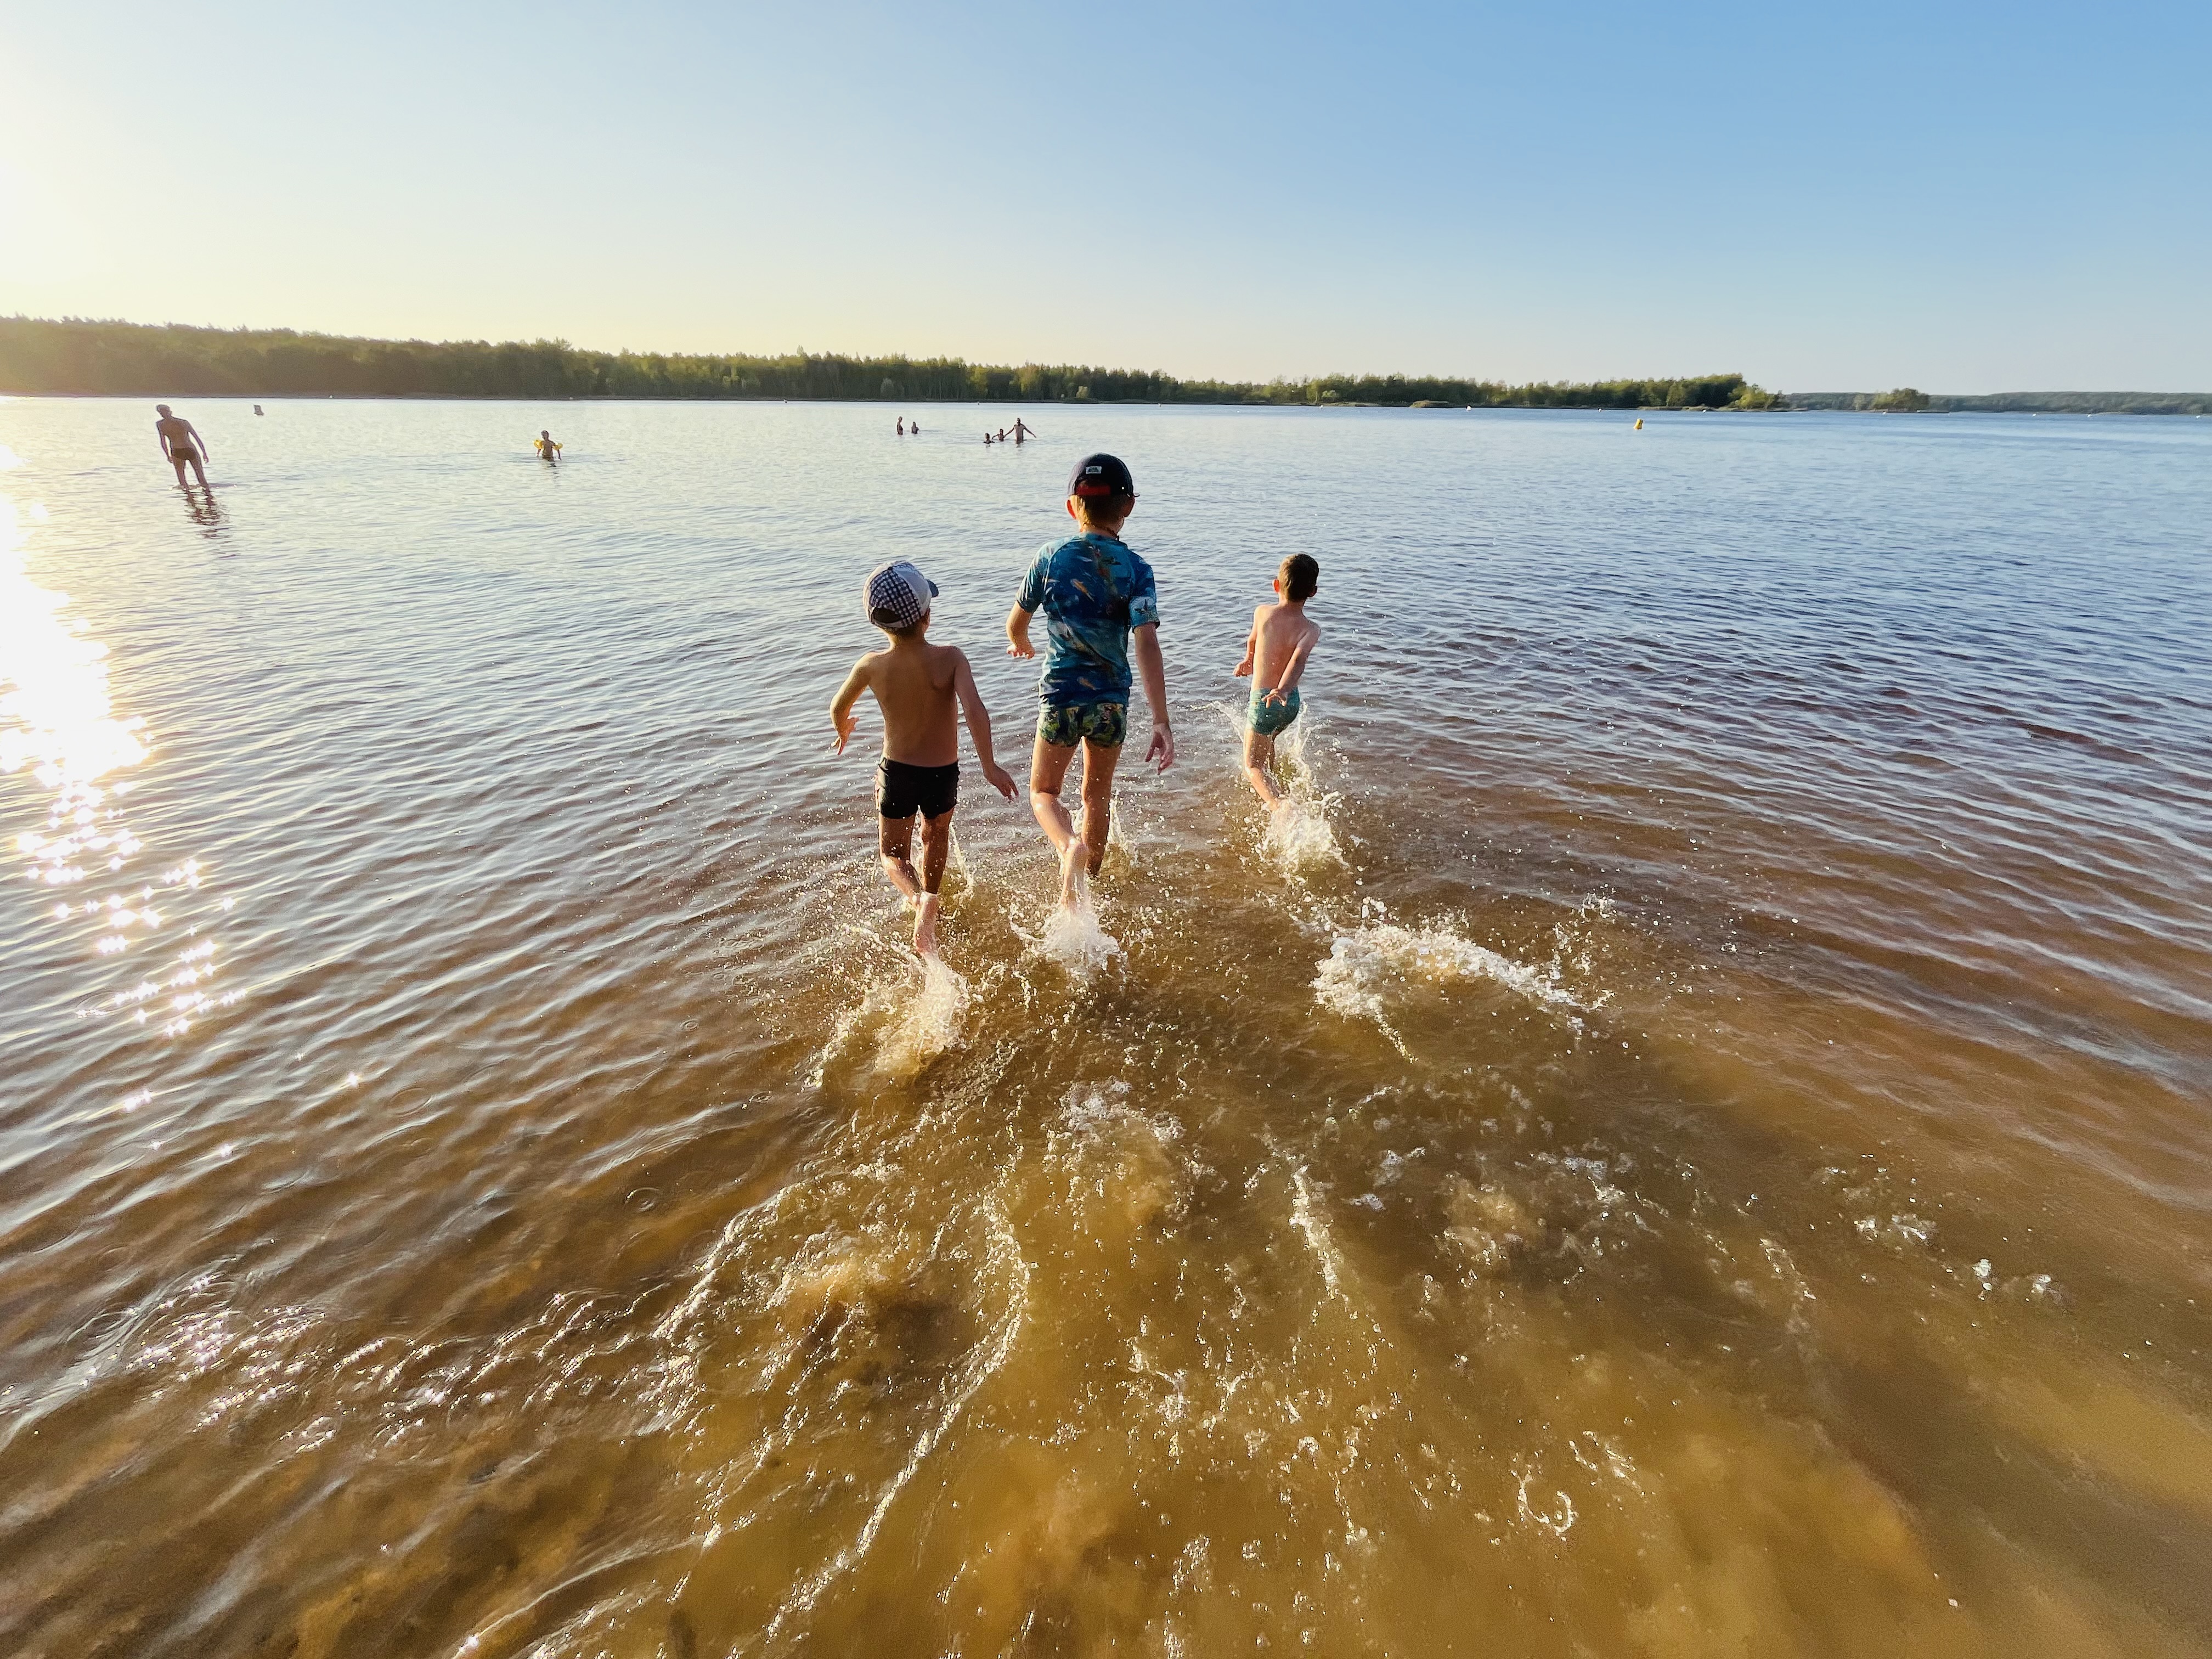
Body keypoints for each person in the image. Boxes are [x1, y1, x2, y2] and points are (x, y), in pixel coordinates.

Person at [1006, 453, 1172, 909]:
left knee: (1044, 792)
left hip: (1061, 696)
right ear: (1129, 506)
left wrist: (1022, 643)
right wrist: (1161, 720)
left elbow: (1016, 624)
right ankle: (1088, 892)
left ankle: (1068, 847)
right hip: (1111, 702)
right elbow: (1147, 644)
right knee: (1096, 797)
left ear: (1071, 507)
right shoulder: (1137, 569)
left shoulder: (1050, 557)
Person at [832, 560, 1015, 958]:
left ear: (877, 623)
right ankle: (932, 897)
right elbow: (975, 711)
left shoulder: (870, 665)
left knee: (893, 854)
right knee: (936, 835)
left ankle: (917, 900)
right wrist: (989, 765)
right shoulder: (952, 658)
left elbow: (838, 707)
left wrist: (843, 729)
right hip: (942, 774)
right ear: (927, 617)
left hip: (897, 773)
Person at [1232, 554, 1322, 810]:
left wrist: (1248, 661)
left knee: (1252, 766)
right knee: (1268, 741)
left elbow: (1252, 640)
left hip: (1264, 701)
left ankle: (1280, 806)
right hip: (1289, 703)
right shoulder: (1311, 629)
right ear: (1313, 592)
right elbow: (1298, 660)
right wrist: (1284, 690)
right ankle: (1276, 786)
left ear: (1276, 585)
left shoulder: (1263, 613)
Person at [154, 405, 208, 489]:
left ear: (169, 412)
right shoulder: (162, 424)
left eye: (164, 412)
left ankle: (203, 493)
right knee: (184, 480)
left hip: (188, 450)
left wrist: (204, 453)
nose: (163, 414)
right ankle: (192, 495)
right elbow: (163, 442)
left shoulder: (182, 423)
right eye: (161, 412)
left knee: (199, 477)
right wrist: (167, 455)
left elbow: (196, 437)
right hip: (179, 452)